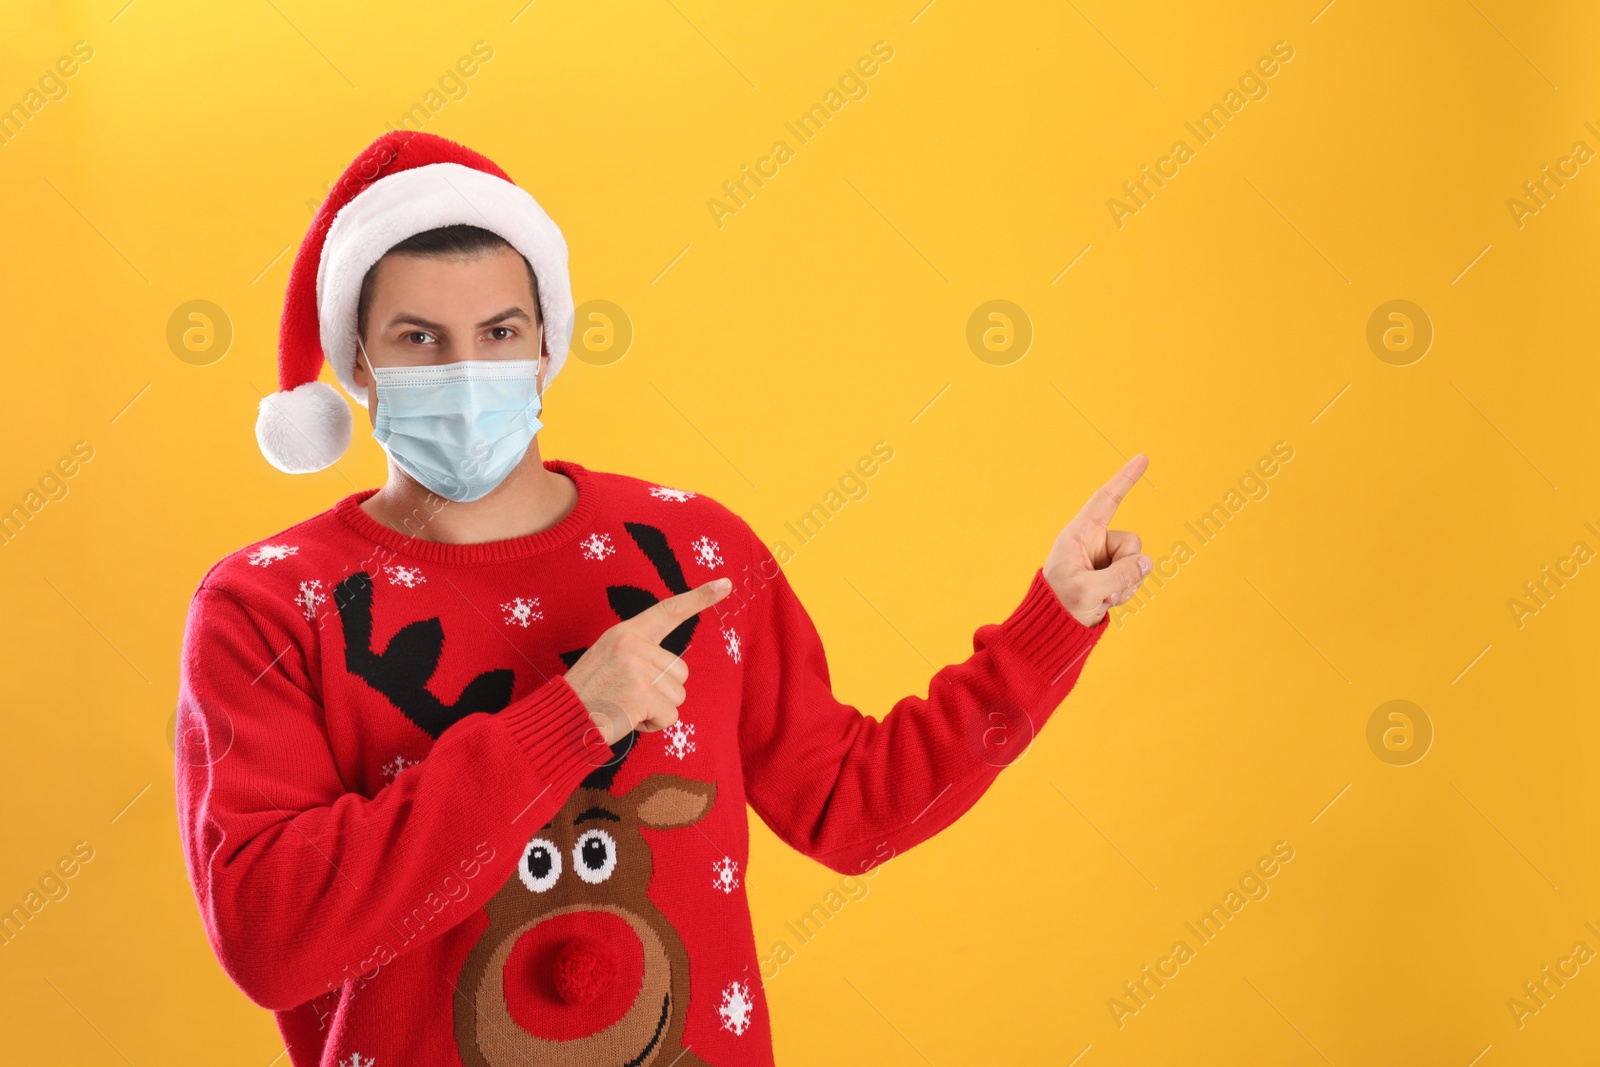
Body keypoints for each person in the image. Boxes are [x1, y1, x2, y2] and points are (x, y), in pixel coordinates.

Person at [174, 131, 1152, 1067]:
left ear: (547, 341)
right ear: (357, 364)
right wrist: (567, 720)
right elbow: (269, 934)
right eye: (420, 337)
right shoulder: (270, 604)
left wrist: (1049, 625)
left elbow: (854, 808)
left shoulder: (691, 552)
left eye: (499, 331)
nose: (467, 372)